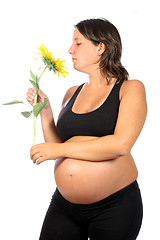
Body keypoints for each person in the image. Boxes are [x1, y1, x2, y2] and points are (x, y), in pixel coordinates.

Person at [27, 18, 147, 240]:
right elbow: (56, 149)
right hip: (64, 205)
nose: (70, 49)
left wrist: (60, 151)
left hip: (115, 206)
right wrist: (46, 114)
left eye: (78, 43)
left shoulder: (130, 89)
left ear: (100, 47)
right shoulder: (72, 93)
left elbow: (120, 145)